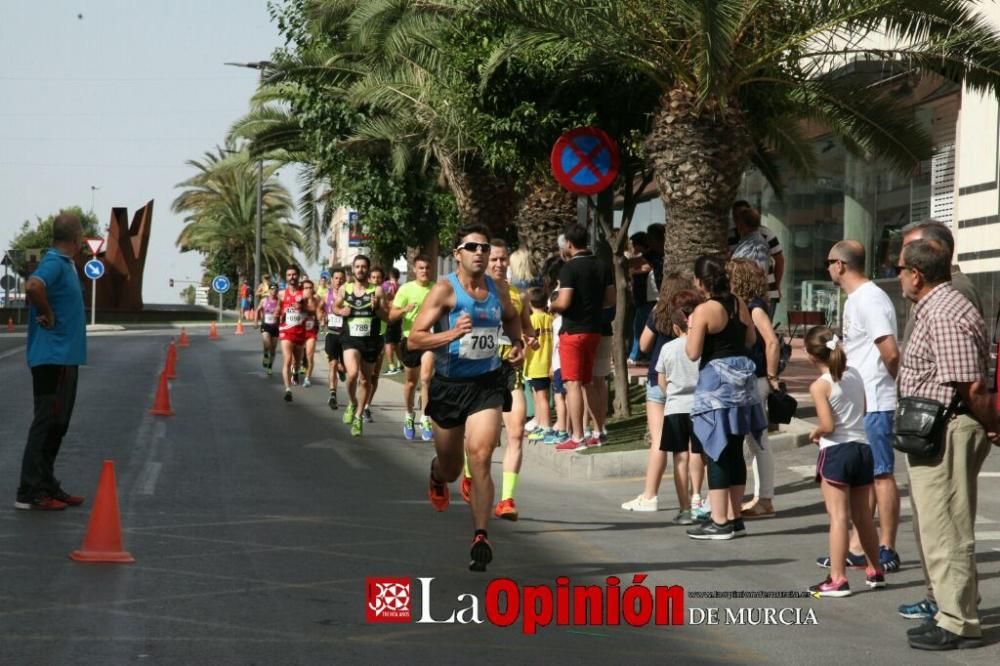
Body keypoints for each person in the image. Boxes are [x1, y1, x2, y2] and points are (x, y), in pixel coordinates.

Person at [896, 239, 996, 650]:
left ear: (916, 275)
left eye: (901, 269)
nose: (899, 275)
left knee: (946, 529)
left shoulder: (943, 311)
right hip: (940, 429)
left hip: (948, 429)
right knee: (944, 525)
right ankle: (956, 610)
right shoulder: (936, 307)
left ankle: (957, 622)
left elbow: (967, 383)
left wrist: (992, 424)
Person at [408, 223, 523, 572]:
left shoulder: (498, 290)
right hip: (448, 386)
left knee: (483, 455)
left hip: (486, 383)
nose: (480, 253)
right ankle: (437, 475)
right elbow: (414, 339)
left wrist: (517, 345)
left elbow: (512, 318)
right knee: (452, 466)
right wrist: (451, 335)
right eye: (472, 247)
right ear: (457, 254)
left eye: (484, 248)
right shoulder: (445, 291)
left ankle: (480, 536)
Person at [825, 240, 902, 573]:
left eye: (829, 262)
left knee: (882, 475)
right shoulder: (856, 299)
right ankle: (859, 547)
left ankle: (887, 548)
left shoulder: (869, 299)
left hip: (875, 400)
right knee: (867, 478)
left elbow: (890, 351)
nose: (827, 268)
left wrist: (891, 388)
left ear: (840, 265)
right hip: (863, 401)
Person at [685, 255, 766, 540]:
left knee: (715, 451)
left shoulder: (704, 310)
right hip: (742, 388)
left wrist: (692, 329)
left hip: (716, 388)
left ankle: (719, 521)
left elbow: (693, 353)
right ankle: (734, 516)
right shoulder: (738, 303)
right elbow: (751, 340)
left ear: (699, 282)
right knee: (734, 451)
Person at [804, 326, 885, 598]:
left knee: (838, 517)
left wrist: (815, 432)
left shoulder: (820, 386)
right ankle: (875, 569)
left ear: (811, 357)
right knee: (864, 516)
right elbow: (861, 410)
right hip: (863, 448)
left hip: (837, 451)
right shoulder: (855, 375)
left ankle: (838, 578)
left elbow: (827, 425)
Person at [16, 213, 87, 511]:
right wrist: (47, 312)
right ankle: (29, 490)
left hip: (64, 357)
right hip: (53, 357)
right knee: (47, 423)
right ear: (76, 237)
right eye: (82, 235)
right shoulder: (55, 262)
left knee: (58, 424)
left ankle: (46, 483)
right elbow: (33, 287)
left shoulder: (65, 264)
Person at [620, 276, 701, 513]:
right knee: (692, 446)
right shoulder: (693, 314)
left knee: (658, 441)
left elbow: (644, 345)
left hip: (659, 379)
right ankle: (695, 495)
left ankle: (650, 495)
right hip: (688, 383)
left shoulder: (658, 312)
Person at [472, 239, 536, 521]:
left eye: (503, 259)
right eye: (494, 259)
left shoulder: (517, 296)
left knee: (516, 431)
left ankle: (507, 499)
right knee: (481, 440)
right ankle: (467, 474)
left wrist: (526, 342)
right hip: (478, 370)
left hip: (509, 370)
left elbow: (528, 331)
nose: (499, 264)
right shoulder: (473, 292)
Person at [551, 224, 614, 451]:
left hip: (573, 331)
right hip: (595, 330)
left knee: (573, 384)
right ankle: (599, 431)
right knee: (588, 382)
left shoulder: (569, 269)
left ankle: (577, 436)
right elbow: (610, 299)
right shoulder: (602, 265)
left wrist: (552, 304)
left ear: (569, 243)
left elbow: (565, 302)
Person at [727, 259, 780, 518]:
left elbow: (771, 341)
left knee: (759, 442)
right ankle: (761, 497)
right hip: (752, 379)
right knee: (756, 441)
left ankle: (765, 498)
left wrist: (771, 376)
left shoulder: (754, 307)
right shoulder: (747, 306)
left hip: (756, 379)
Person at [655, 295, 704, 524]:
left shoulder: (667, 348)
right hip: (700, 406)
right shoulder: (702, 345)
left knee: (680, 457)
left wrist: (670, 395)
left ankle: (684, 508)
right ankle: (697, 499)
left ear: (676, 327)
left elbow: (661, 381)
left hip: (675, 407)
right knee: (698, 454)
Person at [336, 255, 387, 436]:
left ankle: (358, 416)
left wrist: (377, 308)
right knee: (352, 374)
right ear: (353, 269)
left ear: (368, 269)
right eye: (357, 267)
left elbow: (386, 316)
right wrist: (342, 311)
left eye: (363, 267)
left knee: (366, 379)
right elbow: (335, 307)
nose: (360, 270)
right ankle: (352, 402)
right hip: (350, 338)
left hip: (371, 340)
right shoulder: (345, 289)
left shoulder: (378, 291)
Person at [390, 255, 435, 440]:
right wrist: (404, 310)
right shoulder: (406, 289)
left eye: (427, 268)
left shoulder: (437, 289)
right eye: (421, 268)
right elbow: (392, 315)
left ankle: (426, 418)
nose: (424, 271)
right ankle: (409, 415)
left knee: (426, 379)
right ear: (414, 270)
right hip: (411, 340)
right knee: (410, 382)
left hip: (430, 339)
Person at [729, 201, 784, 310]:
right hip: (743, 295)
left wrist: (776, 285)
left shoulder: (761, 241)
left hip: (757, 296)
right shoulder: (733, 236)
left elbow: (777, 261)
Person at [524, 288, 555, 441]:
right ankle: (539, 422)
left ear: (529, 303)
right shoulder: (550, 318)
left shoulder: (531, 320)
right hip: (548, 362)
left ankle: (546, 426)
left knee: (541, 397)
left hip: (536, 363)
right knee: (538, 396)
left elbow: (527, 341)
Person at [363, 266, 389, 422]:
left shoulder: (383, 296)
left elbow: (388, 315)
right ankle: (358, 404)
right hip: (364, 338)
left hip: (379, 337)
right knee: (363, 376)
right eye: (373, 277)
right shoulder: (363, 294)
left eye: (379, 278)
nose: (376, 280)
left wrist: (379, 306)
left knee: (374, 376)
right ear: (368, 279)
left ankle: (367, 406)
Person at [278, 265, 306, 402]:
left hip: (300, 331)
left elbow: (312, 310)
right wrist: (281, 313)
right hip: (286, 331)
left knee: (298, 361)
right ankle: (288, 389)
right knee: (287, 360)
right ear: (286, 277)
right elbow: (277, 310)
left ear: (298, 276)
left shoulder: (304, 293)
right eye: (289, 275)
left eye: (294, 274)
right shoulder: (282, 294)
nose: (292, 277)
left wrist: (302, 307)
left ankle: (295, 372)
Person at [626, 232, 654, 364]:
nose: (633, 249)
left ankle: (634, 355)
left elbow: (645, 265)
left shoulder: (650, 258)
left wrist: (632, 269)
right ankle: (641, 355)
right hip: (641, 300)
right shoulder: (643, 259)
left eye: (634, 245)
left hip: (647, 299)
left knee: (639, 327)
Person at [324, 268, 347, 409]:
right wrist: (322, 317)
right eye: (336, 278)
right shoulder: (326, 295)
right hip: (331, 333)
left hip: (345, 335)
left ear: (345, 280)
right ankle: (333, 394)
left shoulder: (349, 294)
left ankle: (342, 369)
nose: (338, 281)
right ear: (332, 280)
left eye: (341, 278)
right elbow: (320, 308)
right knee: (332, 363)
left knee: (343, 366)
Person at [382, 267, 403, 375]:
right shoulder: (400, 287)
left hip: (389, 315)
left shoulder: (385, 285)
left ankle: (391, 367)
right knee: (397, 342)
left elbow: (383, 298)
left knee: (388, 343)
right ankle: (400, 363)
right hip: (398, 316)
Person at [256, 283, 280, 376]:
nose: (274, 291)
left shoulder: (279, 301)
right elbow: (258, 310)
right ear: (269, 290)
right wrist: (255, 321)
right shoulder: (264, 300)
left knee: (273, 348)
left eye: (275, 289)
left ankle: (270, 366)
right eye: (272, 289)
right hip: (265, 325)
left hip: (275, 326)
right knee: (266, 342)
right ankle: (265, 354)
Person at [300, 279, 320, 388]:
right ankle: (295, 370)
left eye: (310, 288)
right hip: (298, 332)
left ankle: (307, 378)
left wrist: (321, 318)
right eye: (305, 288)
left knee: (310, 356)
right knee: (297, 357)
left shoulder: (317, 301)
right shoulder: (299, 300)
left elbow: (320, 314)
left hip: (311, 332)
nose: (308, 290)